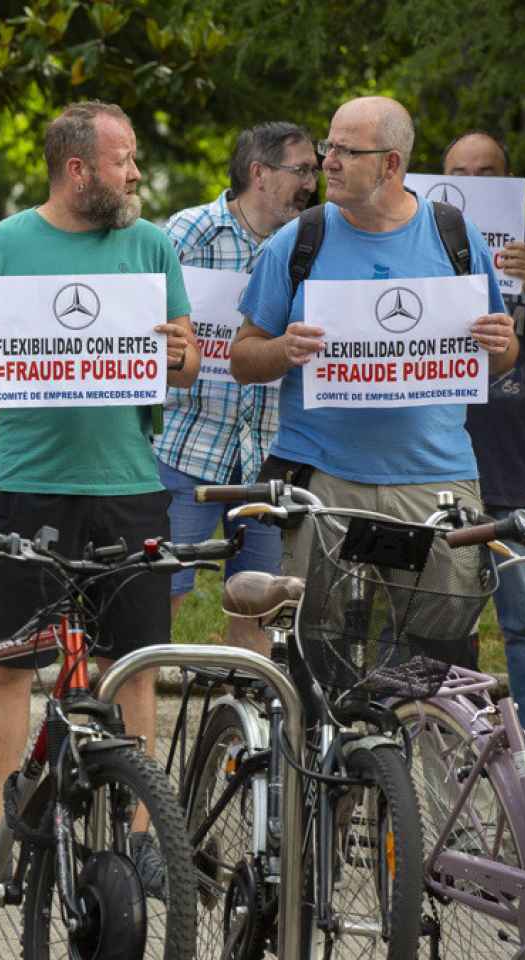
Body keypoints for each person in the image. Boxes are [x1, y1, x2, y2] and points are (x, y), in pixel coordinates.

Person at [0, 102, 199, 870]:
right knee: (13, 663)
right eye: (124, 160)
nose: (135, 174)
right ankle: (2, 830)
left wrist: (181, 352)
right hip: (27, 484)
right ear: (78, 169)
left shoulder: (150, 245)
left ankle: (146, 836)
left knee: (137, 662)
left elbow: (183, 365)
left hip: (127, 482)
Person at [231, 97, 516, 671]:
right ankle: (321, 760)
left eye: (344, 151)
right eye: (326, 147)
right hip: (326, 480)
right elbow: (242, 356)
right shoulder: (298, 240)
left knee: (440, 659)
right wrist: (283, 351)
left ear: (390, 165)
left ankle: (427, 761)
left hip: (436, 479)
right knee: (321, 650)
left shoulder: (455, 237)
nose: (326, 163)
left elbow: (499, 359)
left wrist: (500, 344)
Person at [444, 130, 525, 810]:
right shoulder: (417, 242)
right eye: (459, 173)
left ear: (508, 179)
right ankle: (454, 762)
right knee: (440, 626)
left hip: (514, 471)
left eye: (486, 172)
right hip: (433, 470)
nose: (473, 182)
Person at [158, 122, 316, 651]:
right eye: (303, 170)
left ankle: (241, 727)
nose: (313, 182)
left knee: (262, 605)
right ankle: (131, 721)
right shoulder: (187, 232)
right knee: (161, 594)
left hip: (269, 458)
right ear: (259, 173)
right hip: (186, 446)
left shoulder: (312, 241)